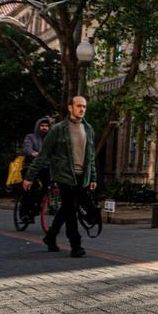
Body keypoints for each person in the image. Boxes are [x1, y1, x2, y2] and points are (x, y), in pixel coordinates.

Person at [23, 96, 96, 258]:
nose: (82, 109)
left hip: (82, 177)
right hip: (64, 176)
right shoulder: (57, 129)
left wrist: (93, 178)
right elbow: (43, 155)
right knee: (70, 210)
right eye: (78, 106)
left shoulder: (89, 129)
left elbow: (91, 156)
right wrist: (30, 176)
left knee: (67, 209)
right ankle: (75, 245)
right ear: (70, 108)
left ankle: (50, 237)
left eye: (84, 106)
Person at [19, 117, 52, 219]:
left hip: (45, 166)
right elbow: (27, 148)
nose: (44, 128)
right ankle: (24, 212)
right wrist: (34, 153)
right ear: (38, 127)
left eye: (46, 126)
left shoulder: (50, 139)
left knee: (48, 185)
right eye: (42, 126)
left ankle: (38, 205)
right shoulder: (30, 137)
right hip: (30, 167)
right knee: (30, 188)